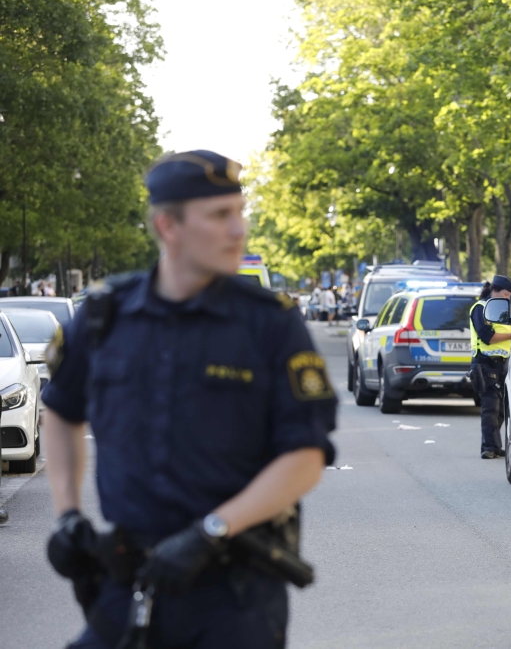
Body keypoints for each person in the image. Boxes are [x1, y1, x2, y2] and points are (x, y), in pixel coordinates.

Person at [41, 150, 337, 649]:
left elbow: (305, 457)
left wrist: (211, 531)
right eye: (220, 215)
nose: (238, 229)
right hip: (127, 582)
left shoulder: (270, 324)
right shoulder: (104, 318)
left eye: (239, 212)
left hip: (234, 593)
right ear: (169, 226)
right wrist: (68, 513)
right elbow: (61, 411)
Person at [469, 275, 511, 459]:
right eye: (505, 294)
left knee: (501, 410)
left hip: (503, 363)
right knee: (490, 407)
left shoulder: (504, 311)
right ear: (494, 290)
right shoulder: (480, 309)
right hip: (485, 363)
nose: (507, 299)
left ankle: (495, 446)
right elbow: (487, 337)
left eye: (509, 296)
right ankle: (488, 448)